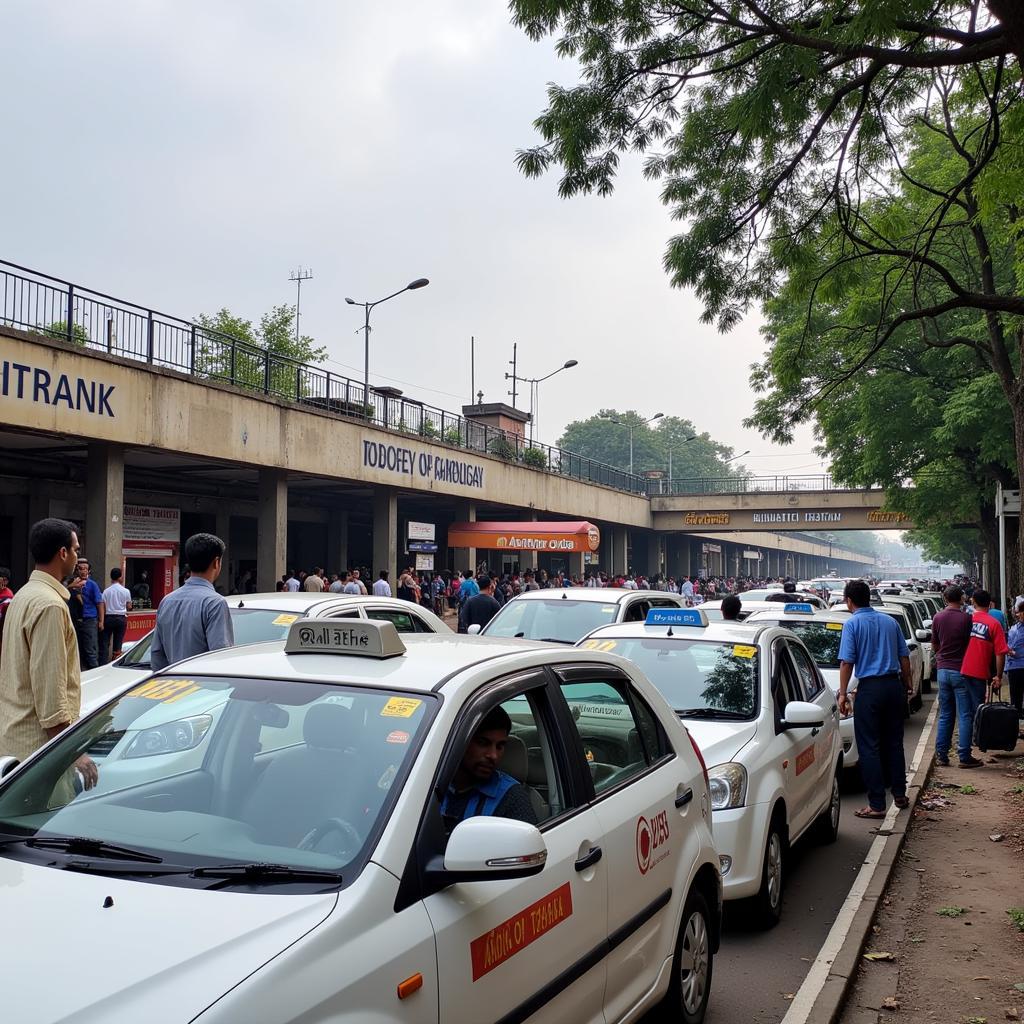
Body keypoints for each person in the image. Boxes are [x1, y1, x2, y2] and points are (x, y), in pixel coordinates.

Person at [0, 519, 97, 787]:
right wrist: (73, 752)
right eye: (76, 550)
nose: (77, 558)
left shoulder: (24, 595)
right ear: (62, 553)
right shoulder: (50, 605)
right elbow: (51, 695)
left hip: (14, 740)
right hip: (40, 753)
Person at [837, 579, 913, 819]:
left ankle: (877, 803)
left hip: (869, 690)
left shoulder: (852, 625)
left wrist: (842, 694)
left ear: (849, 601)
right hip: (893, 686)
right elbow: (904, 658)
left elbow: (847, 661)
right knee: (894, 742)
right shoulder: (890, 622)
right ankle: (899, 794)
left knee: (869, 746)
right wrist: (907, 685)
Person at [439, 705, 538, 832]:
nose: (493, 755)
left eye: (500, 746)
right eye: (483, 743)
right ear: (460, 742)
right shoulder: (429, 785)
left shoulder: (511, 797)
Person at [150, 534, 234, 671]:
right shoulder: (215, 603)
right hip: (204, 688)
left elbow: (157, 655)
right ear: (216, 562)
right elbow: (221, 657)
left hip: (172, 686)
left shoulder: (167, 601)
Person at [958, 588, 1009, 768]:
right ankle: (972, 746)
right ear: (990, 604)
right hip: (979, 673)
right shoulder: (994, 624)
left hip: (961, 670)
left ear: (973, 602)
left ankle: (963, 752)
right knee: (976, 712)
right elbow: (1000, 653)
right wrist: (998, 676)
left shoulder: (966, 621)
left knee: (965, 714)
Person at [931, 585, 974, 767]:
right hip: (960, 669)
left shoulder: (937, 617)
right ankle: (964, 755)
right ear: (961, 599)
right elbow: (969, 643)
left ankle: (941, 754)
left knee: (946, 714)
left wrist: (942, 657)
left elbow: (935, 644)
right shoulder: (966, 618)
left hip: (942, 670)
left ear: (945, 598)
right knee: (964, 714)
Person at [69, 557, 105, 670]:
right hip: (75, 621)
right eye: (80, 568)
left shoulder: (92, 585)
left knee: (91, 650)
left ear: (89, 571)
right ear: (76, 570)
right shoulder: (71, 584)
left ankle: (94, 672)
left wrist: (101, 621)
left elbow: (100, 603)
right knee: (77, 650)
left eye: (85, 569)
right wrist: (72, 586)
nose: (83, 571)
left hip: (90, 620)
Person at [100, 567, 133, 664]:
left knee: (105, 643)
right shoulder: (126, 591)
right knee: (118, 643)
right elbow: (129, 606)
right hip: (121, 618)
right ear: (120, 577)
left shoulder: (106, 591)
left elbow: (103, 606)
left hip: (108, 618)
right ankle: (115, 662)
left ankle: (103, 663)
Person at [1005, 599, 1024, 732]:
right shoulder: (1014, 627)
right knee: (1015, 700)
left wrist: (1012, 651)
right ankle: (1015, 729)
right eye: (1018, 612)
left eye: (1021, 612)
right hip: (1013, 668)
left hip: (1020, 665)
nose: (1019, 614)